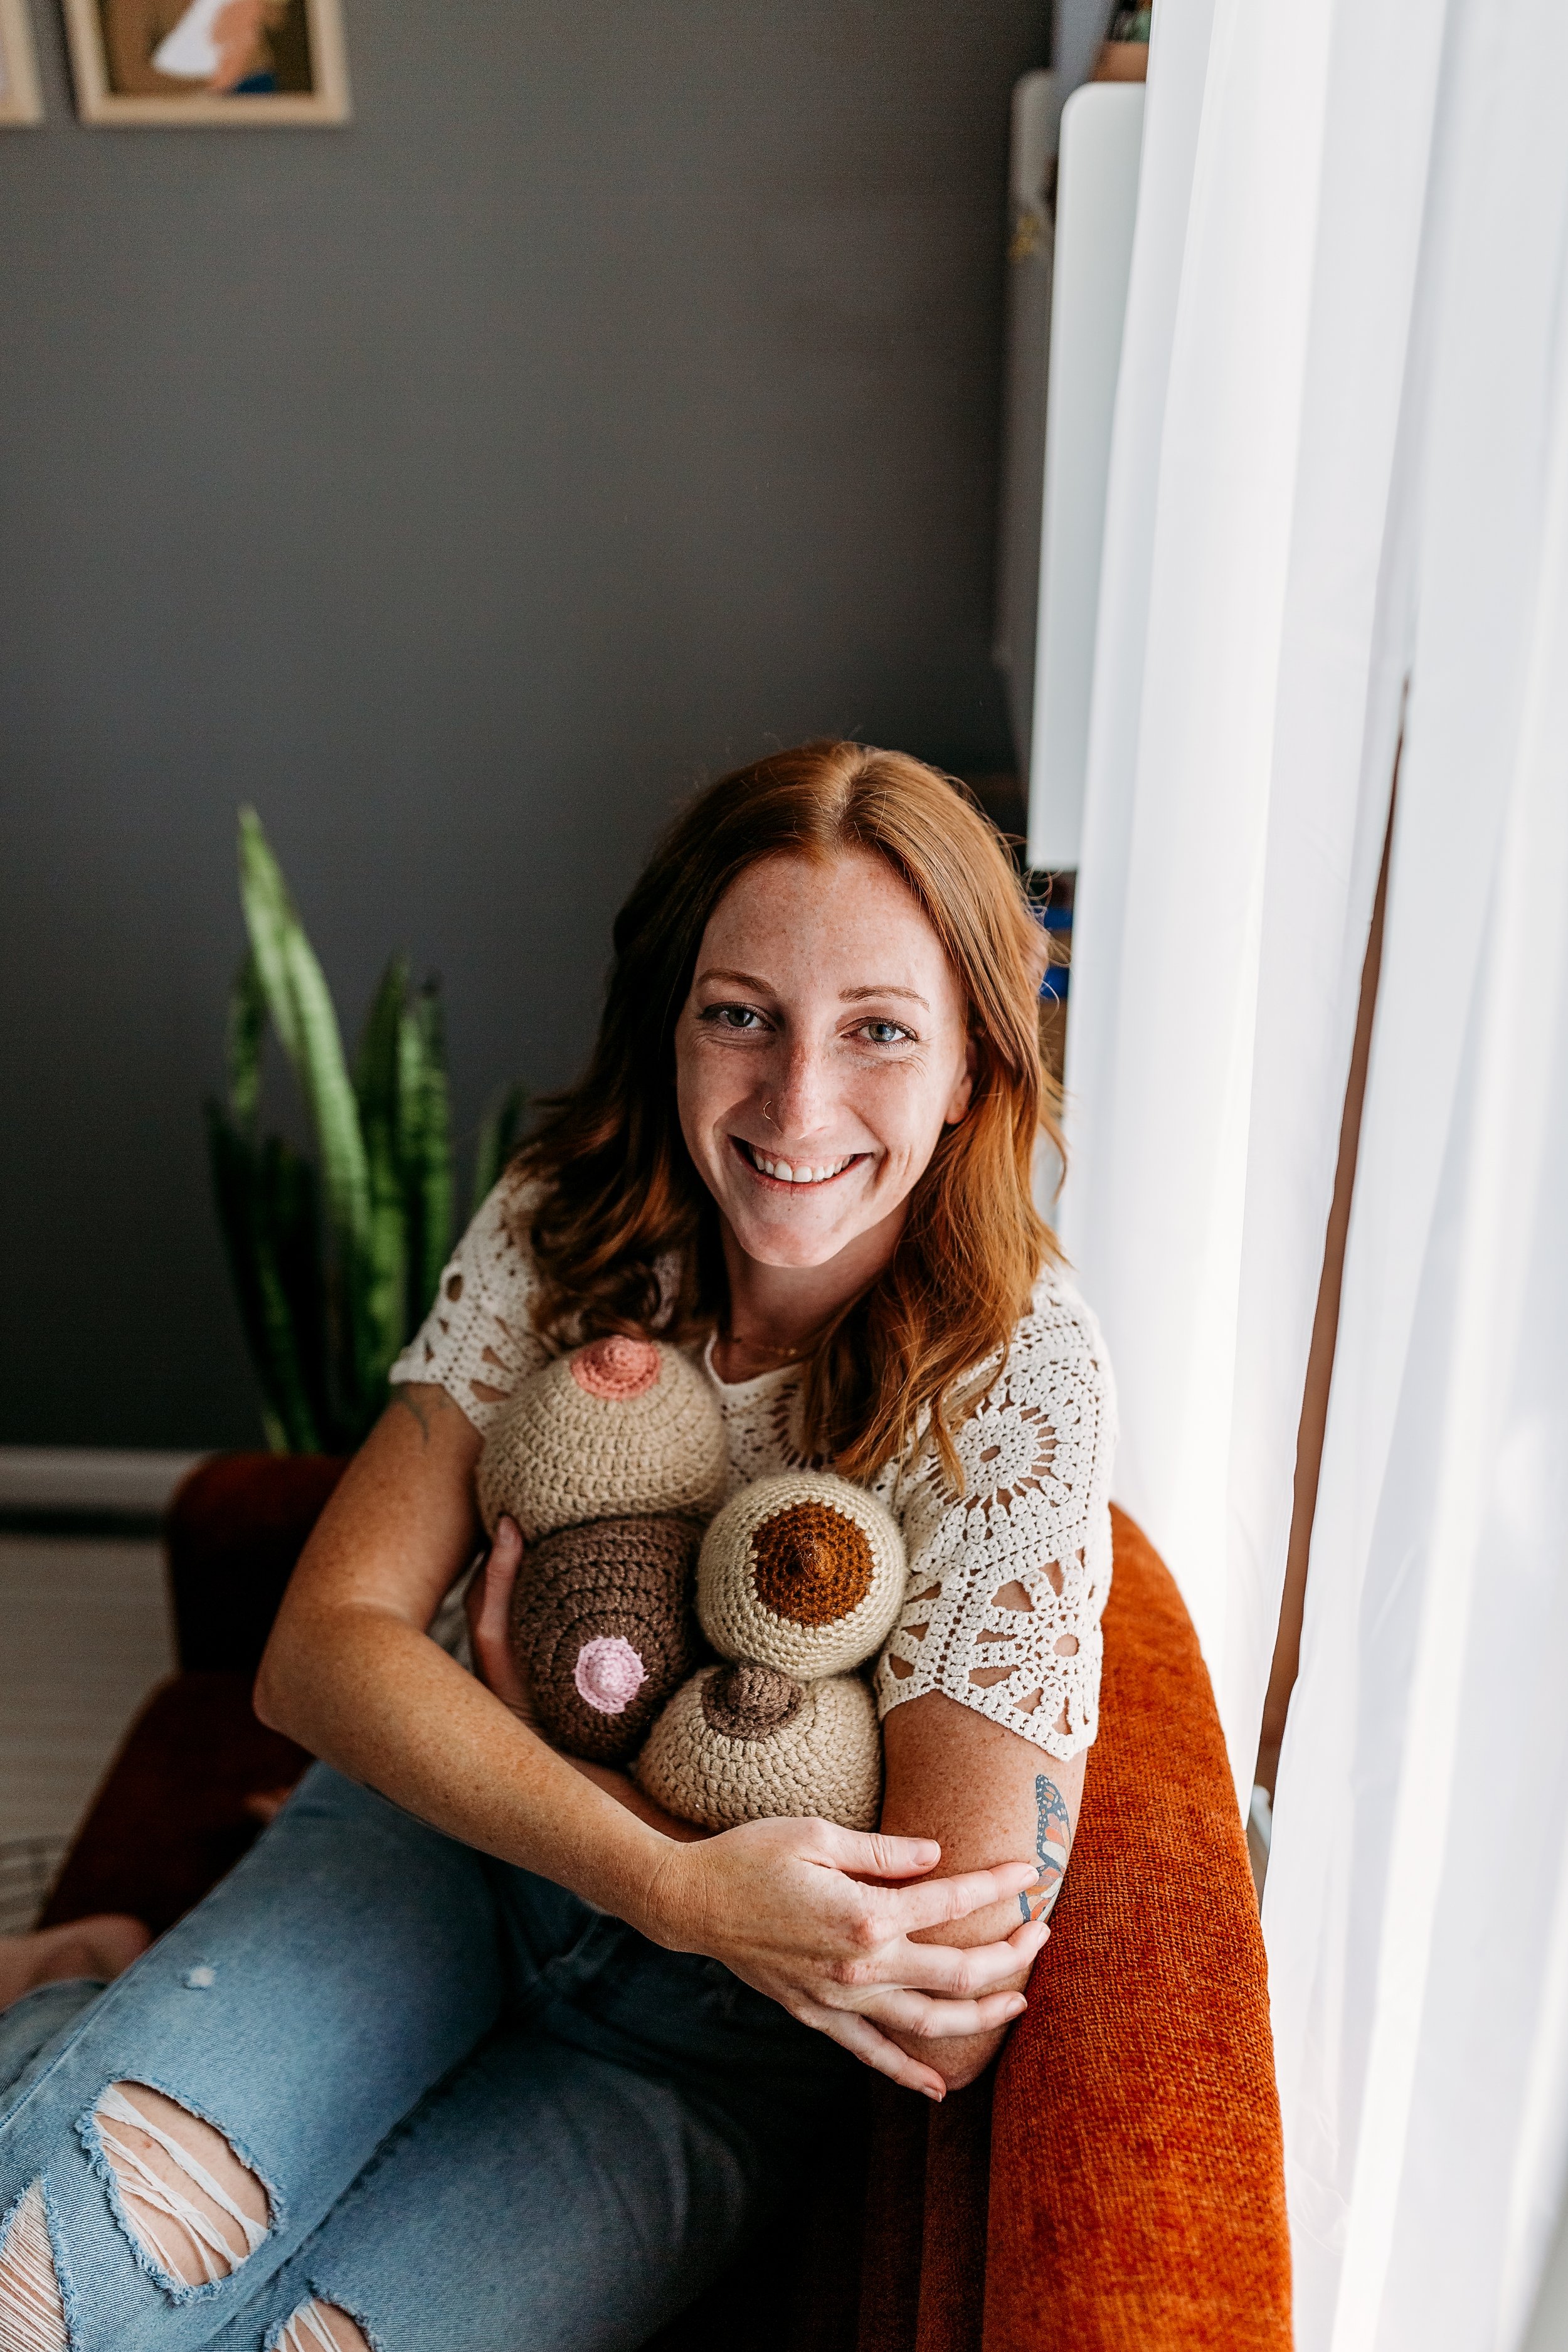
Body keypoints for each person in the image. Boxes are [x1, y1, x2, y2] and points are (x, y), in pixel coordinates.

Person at [0, 741, 1115, 2352]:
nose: (797, 1103)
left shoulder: (1018, 1379)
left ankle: (65, 2004)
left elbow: (925, 2017)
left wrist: (538, 1747)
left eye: (878, 1032)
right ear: (670, 1017)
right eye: (740, 1013)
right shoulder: (570, 1219)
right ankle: (88, 2004)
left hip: (690, 2056)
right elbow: (321, 1651)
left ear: (970, 1069)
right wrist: (671, 1873)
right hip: (429, 1857)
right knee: (48, 2281)